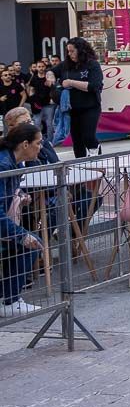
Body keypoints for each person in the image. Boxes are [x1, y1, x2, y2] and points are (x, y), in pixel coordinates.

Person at [0, 123, 45, 315]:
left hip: (4, 223)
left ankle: (9, 299)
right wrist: (20, 235)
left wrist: (20, 195)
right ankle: (9, 301)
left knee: (30, 243)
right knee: (30, 243)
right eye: (38, 143)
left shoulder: (15, 163)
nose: (41, 147)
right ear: (25, 144)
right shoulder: (4, 165)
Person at [60, 38, 103, 158]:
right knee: (77, 140)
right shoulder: (66, 65)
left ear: (80, 50)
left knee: (88, 136)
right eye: (68, 51)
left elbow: (94, 85)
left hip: (90, 106)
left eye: (72, 51)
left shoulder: (92, 64)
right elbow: (52, 71)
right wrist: (50, 76)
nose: (70, 54)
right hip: (73, 108)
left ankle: (97, 159)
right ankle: (80, 164)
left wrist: (71, 82)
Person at [27, 62, 55, 142]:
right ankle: (38, 140)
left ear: (45, 67)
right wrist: (32, 100)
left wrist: (52, 98)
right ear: (37, 68)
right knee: (37, 123)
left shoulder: (48, 77)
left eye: (43, 66)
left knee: (49, 124)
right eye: (39, 66)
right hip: (37, 104)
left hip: (48, 104)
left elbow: (53, 89)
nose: (41, 68)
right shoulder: (34, 78)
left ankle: (50, 141)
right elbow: (31, 90)